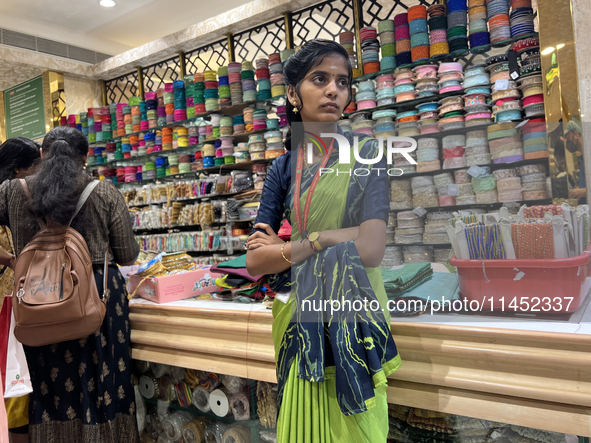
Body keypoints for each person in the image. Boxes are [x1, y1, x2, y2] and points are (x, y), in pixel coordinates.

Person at [245, 39, 401, 442]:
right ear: (294, 93)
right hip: (298, 319)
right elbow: (255, 264)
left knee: (358, 428)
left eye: (342, 82)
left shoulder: (368, 154)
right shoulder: (282, 168)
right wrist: (324, 241)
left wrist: (308, 240)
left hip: (353, 311)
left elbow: (371, 249)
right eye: (320, 79)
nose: (334, 90)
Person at [0, 126, 140, 443]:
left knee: (49, 388)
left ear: (41, 155)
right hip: (98, 299)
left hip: (39, 299)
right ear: (85, 157)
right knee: (104, 384)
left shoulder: (12, 190)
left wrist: (10, 258)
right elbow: (128, 254)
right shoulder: (103, 193)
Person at [0, 137, 41, 443]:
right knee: (15, 380)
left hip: (17, 297)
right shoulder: (8, 197)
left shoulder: (18, 196)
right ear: (17, 169)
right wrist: (13, 260)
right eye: (35, 165)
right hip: (7, 302)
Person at [564, 121, 586, 203]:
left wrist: (582, 192)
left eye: (568, 138)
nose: (567, 142)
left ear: (576, 134)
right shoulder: (582, 158)